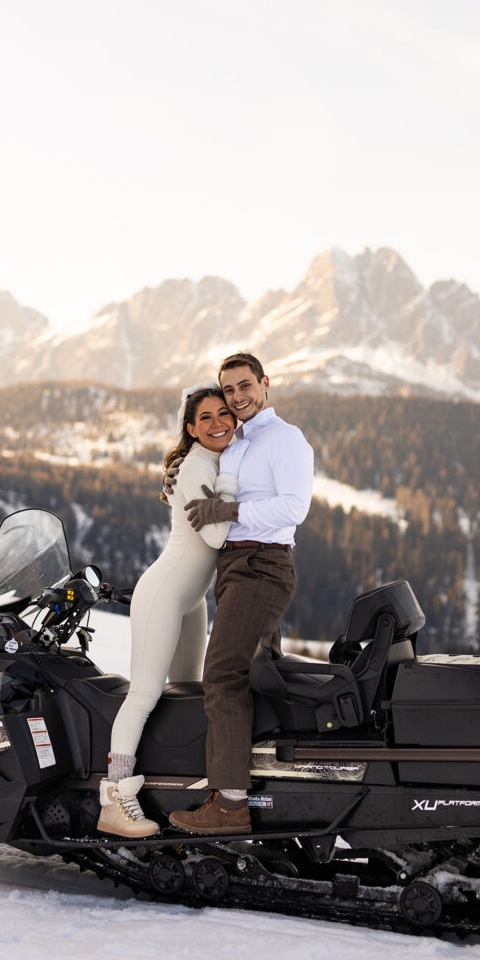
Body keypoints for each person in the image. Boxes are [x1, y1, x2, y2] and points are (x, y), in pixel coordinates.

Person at [167, 352, 314, 836]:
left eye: (245, 386)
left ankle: (229, 805)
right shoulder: (238, 441)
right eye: (229, 390)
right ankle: (275, 786)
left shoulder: (284, 438)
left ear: (265, 384)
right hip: (235, 567)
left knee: (222, 673)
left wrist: (229, 514)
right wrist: (175, 476)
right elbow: (206, 472)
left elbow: (294, 507)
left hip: (262, 566)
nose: (238, 397)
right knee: (258, 675)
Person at [98, 384, 247, 837]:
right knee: (144, 694)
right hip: (164, 592)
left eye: (224, 412)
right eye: (206, 417)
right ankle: (115, 798)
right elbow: (217, 537)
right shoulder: (199, 466)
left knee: (189, 695)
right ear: (190, 428)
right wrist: (228, 487)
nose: (219, 422)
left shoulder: (218, 458)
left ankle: (173, 786)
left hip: (191, 599)